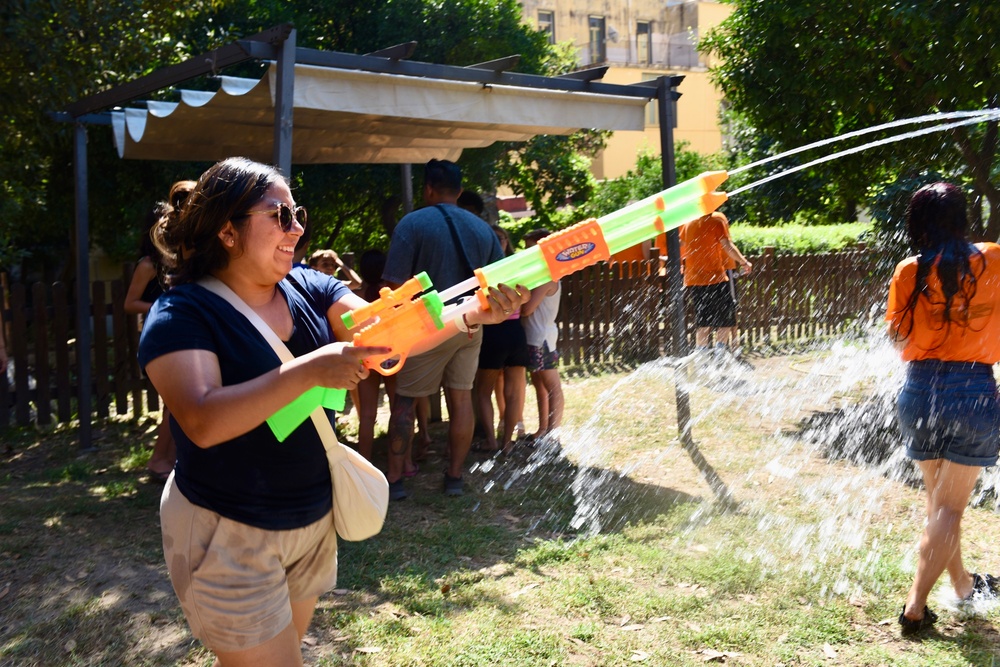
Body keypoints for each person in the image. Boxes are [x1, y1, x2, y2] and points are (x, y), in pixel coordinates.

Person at [138, 157, 524, 665]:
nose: (296, 228)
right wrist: (310, 370)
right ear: (228, 232)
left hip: (310, 520)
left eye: (296, 213)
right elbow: (203, 421)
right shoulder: (181, 313)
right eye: (279, 215)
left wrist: (473, 312)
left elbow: (384, 335)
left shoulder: (307, 286)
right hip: (227, 531)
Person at [888, 182, 1000, 636]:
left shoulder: (909, 271)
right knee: (949, 509)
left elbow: (897, 340)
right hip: (973, 388)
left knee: (939, 505)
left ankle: (964, 584)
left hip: (918, 391)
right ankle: (915, 608)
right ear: (962, 218)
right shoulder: (993, 258)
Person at [382, 158, 516, 499]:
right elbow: (500, 281)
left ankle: (395, 480)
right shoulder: (483, 229)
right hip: (471, 325)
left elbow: (392, 287)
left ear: (428, 188)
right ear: (459, 191)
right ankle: (454, 476)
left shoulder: (411, 225)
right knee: (462, 399)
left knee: (405, 402)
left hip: (423, 328)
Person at [124, 179, 196, 481]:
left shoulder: (177, 260)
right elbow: (129, 303)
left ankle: (168, 460)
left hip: (178, 330)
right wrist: (163, 306)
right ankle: (158, 462)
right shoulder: (147, 265)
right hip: (163, 334)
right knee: (176, 405)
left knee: (178, 404)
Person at [473, 223, 528, 454]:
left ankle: (501, 443)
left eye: (502, 238)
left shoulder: (481, 270)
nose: (499, 241)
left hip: (503, 332)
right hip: (506, 332)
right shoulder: (515, 267)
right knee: (486, 390)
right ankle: (498, 442)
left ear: (507, 241)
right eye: (496, 238)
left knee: (492, 391)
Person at [679, 210, 752, 361]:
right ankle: (720, 352)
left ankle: (702, 355)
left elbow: (683, 247)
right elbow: (727, 246)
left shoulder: (688, 223)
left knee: (703, 321)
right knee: (726, 318)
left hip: (694, 279)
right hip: (715, 277)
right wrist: (744, 262)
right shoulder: (716, 221)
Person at [520, 228, 564, 442]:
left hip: (542, 339)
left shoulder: (547, 277)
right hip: (533, 337)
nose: (528, 253)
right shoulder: (539, 275)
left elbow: (527, 309)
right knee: (539, 384)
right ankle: (542, 430)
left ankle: (553, 435)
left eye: (532, 248)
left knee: (552, 386)